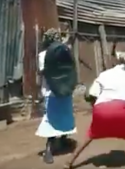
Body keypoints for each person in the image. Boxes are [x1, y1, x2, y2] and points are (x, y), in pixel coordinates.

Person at [35, 28, 77, 164]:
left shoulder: (43, 55)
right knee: (63, 116)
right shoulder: (65, 51)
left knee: (52, 119)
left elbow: (42, 72)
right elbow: (71, 69)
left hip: (51, 90)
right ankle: (55, 146)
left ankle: (52, 149)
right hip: (64, 89)